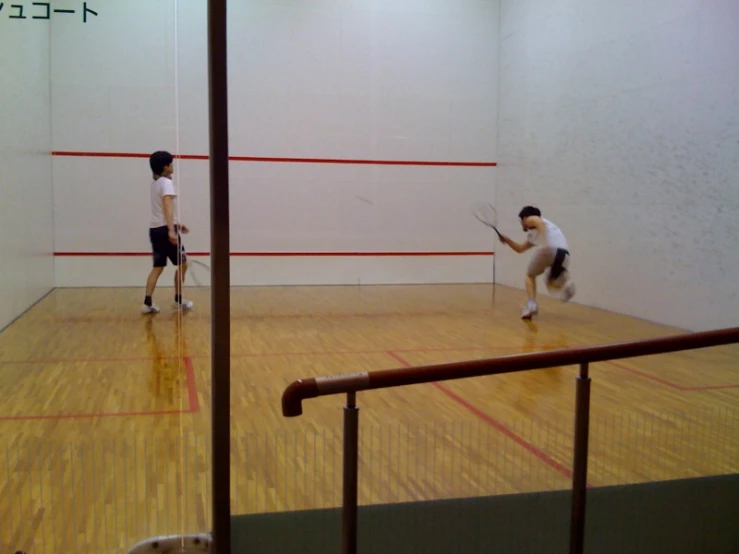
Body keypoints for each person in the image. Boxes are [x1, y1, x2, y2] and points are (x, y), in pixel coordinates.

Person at [498, 206, 576, 320]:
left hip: (548, 251)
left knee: (529, 275)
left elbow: (538, 222)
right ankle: (566, 284)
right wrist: (508, 240)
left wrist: (546, 243)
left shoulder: (531, 219)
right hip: (564, 255)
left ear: (524, 218)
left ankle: (531, 305)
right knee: (550, 284)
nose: (521, 224)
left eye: (521, 221)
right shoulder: (534, 234)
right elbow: (520, 249)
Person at [141, 151, 194, 314]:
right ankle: (178, 300)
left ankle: (147, 303)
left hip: (155, 230)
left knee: (157, 267)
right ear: (166, 166)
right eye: (171, 163)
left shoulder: (155, 184)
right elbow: (166, 207)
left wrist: (177, 225)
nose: (172, 166)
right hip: (165, 230)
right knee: (183, 263)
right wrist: (171, 230)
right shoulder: (166, 183)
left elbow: (162, 211)